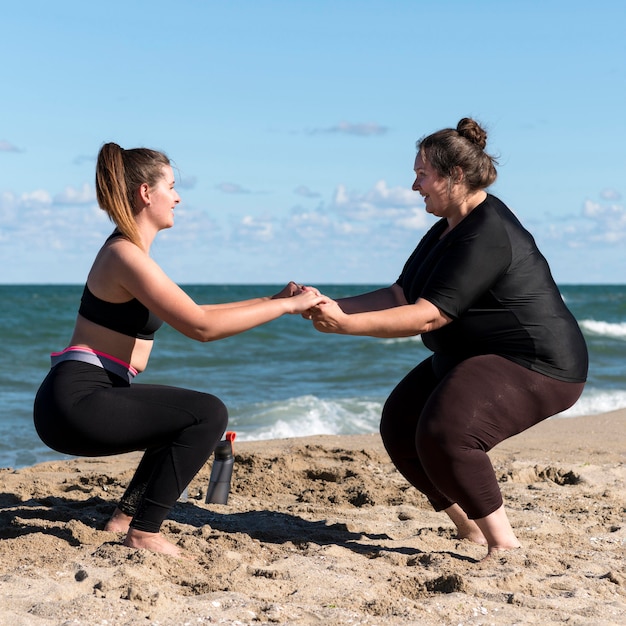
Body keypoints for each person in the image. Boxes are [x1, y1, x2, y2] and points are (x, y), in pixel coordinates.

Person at [305, 118, 588, 560]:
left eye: (422, 174)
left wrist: (346, 325)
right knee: (400, 425)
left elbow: (428, 316)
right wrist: (325, 302)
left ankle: (504, 543)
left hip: (538, 363)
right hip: (472, 354)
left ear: (454, 175)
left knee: (447, 433)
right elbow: (400, 294)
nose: (414, 185)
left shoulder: (487, 231)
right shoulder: (447, 227)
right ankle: (470, 528)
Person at [34, 142, 324, 558]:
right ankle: (144, 531)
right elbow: (201, 327)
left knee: (176, 416)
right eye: (170, 185)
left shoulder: (130, 253)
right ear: (145, 194)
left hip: (85, 397)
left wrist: (272, 301)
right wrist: (287, 306)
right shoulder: (124, 255)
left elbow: (198, 310)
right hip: (76, 403)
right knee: (208, 413)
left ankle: (124, 518)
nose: (178, 196)